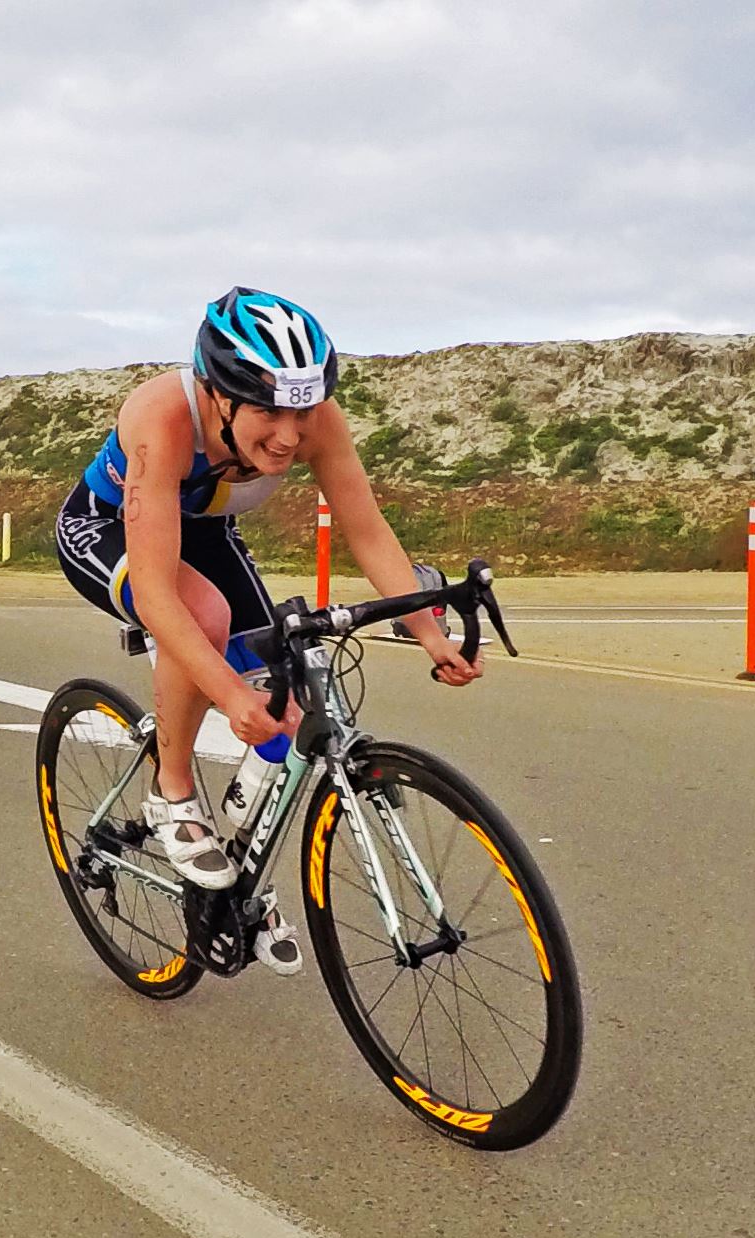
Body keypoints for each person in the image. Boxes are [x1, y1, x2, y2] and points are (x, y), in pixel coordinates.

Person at [54, 287, 482, 975]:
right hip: (105, 528)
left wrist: (431, 633)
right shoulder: (161, 419)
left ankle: (239, 876)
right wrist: (226, 693)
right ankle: (170, 791)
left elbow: (369, 534)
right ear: (219, 396)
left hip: (206, 530)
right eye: (268, 410)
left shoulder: (317, 423)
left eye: (302, 408)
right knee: (205, 619)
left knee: (286, 685)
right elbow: (161, 598)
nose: (289, 434)